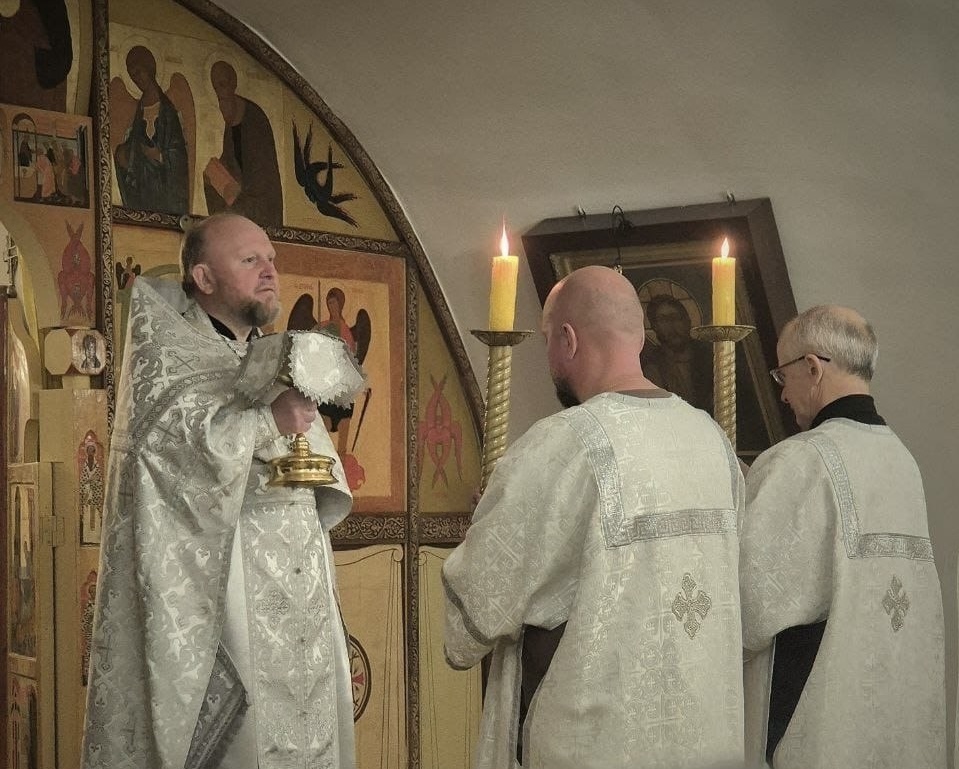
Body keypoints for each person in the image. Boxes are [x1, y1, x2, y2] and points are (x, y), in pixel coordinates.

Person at [82, 213, 358, 769]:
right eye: (250, 260)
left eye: (271, 259)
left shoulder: (276, 356)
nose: (269, 271)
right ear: (203, 277)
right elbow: (168, 456)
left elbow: (320, 475)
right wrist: (268, 422)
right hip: (225, 588)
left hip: (301, 590)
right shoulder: (166, 356)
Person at [443, 265, 746, 769]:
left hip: (596, 743)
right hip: (703, 736)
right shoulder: (712, 440)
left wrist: (488, 525)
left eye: (547, 341)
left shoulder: (560, 443)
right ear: (639, 338)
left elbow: (478, 609)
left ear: (567, 339)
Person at [739, 305, 946, 768]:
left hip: (818, 719)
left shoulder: (799, 460)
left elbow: (749, 607)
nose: (783, 393)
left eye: (783, 375)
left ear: (812, 367)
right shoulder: (901, 460)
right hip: (891, 709)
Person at [203, 60, 284, 227]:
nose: (220, 93)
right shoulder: (231, 117)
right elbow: (230, 157)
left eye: (222, 84)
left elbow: (261, 174)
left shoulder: (254, 118)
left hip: (260, 203)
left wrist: (234, 189)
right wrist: (216, 172)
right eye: (216, 88)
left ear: (233, 83)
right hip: (240, 197)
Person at [114, 45, 190, 214]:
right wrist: (124, 152)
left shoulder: (167, 111)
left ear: (149, 68)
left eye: (138, 72)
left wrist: (160, 156)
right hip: (144, 184)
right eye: (132, 75)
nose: (137, 79)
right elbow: (136, 141)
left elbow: (179, 153)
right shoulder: (140, 108)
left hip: (165, 187)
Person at [640, 293, 713, 412]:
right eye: (663, 320)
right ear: (655, 327)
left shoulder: (709, 356)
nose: (671, 325)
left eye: (676, 317)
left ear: (687, 321)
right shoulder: (653, 366)